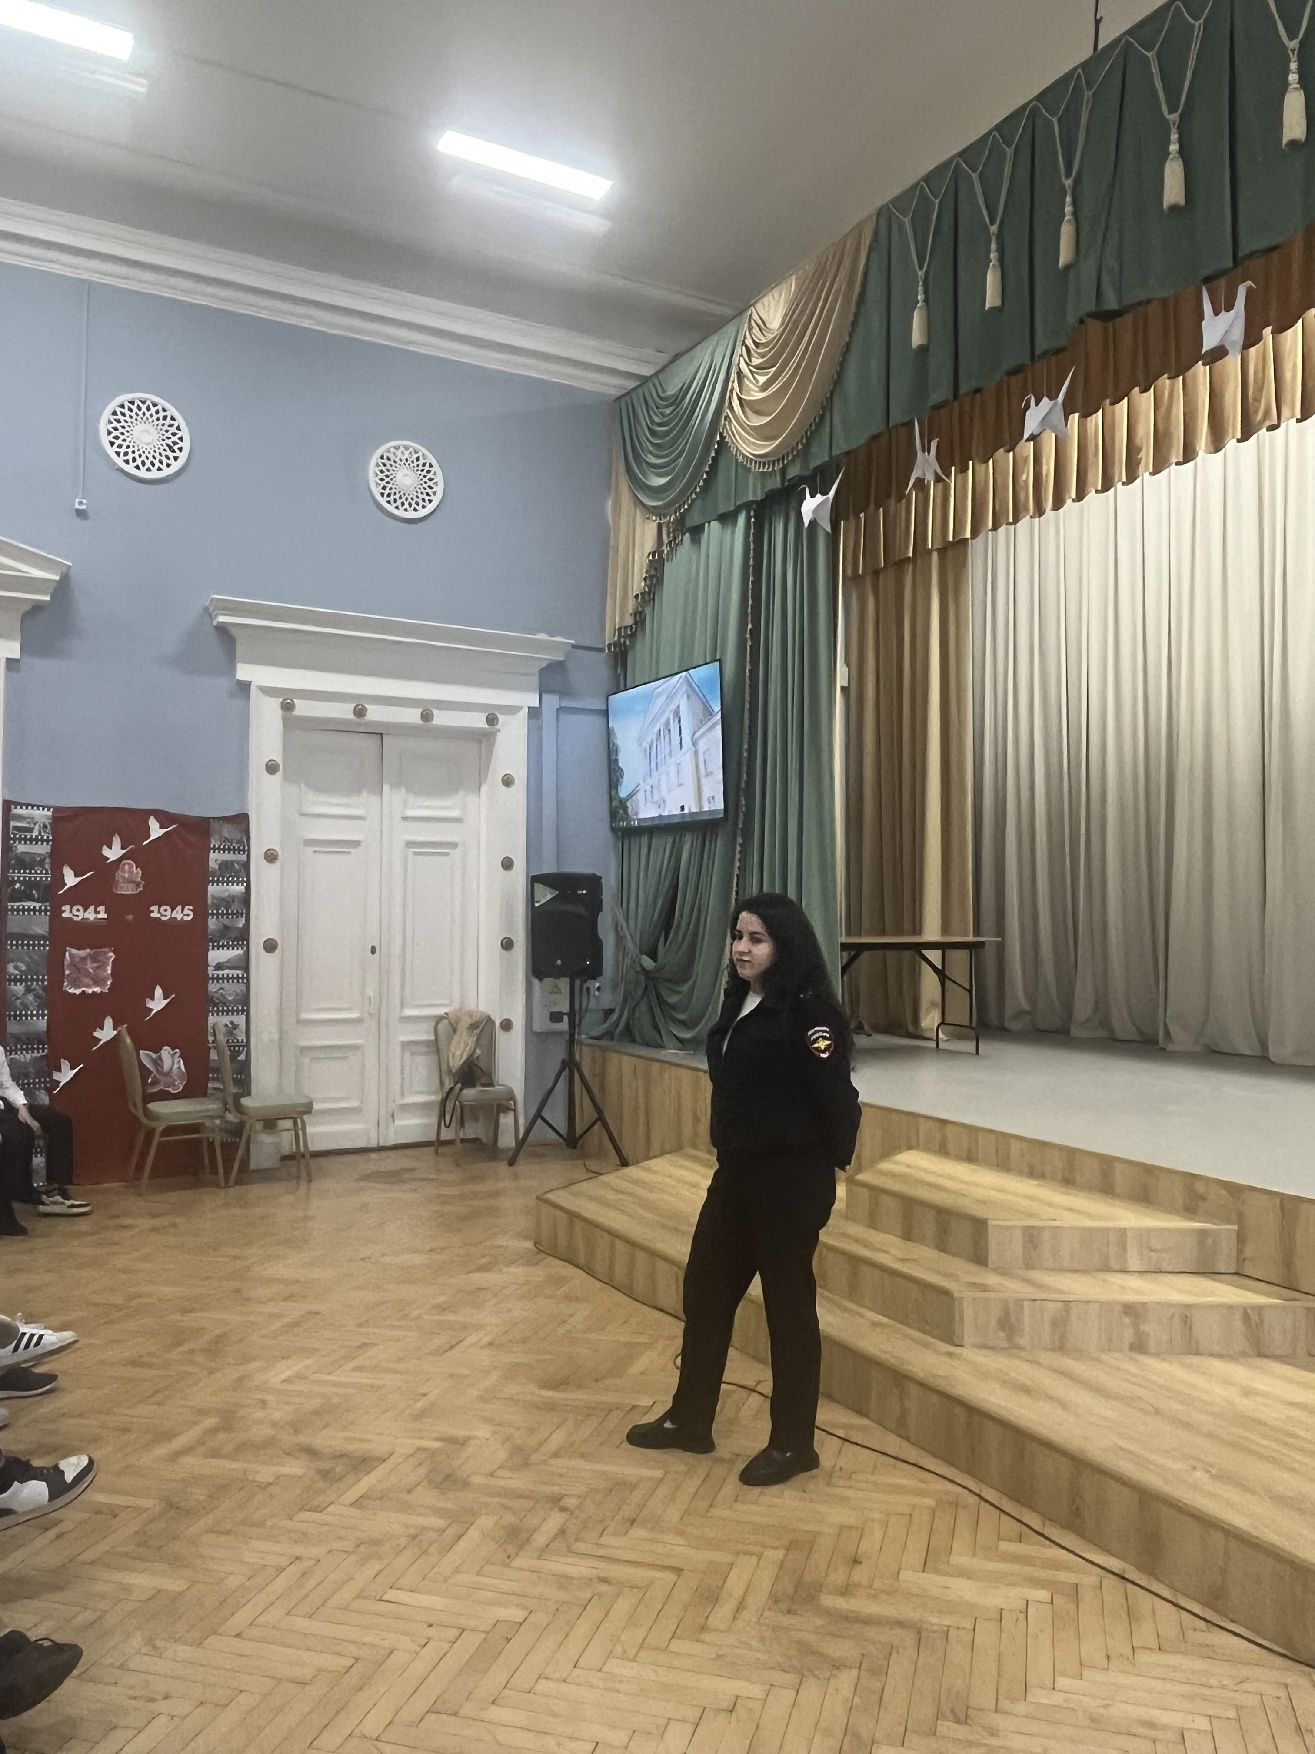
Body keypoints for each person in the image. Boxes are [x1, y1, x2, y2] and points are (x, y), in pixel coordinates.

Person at [627, 892, 861, 1487]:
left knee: (788, 1311)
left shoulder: (811, 1015)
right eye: (738, 936)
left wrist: (826, 1168)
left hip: (788, 1185)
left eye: (757, 939)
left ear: (785, 945)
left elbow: (837, 1099)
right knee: (706, 1292)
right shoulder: (739, 1001)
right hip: (736, 1177)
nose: (741, 948)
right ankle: (691, 1420)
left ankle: (793, 1444)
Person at [0, 1049, 89, 1234]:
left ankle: (54, 1192)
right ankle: (8, 1207)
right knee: (19, 1135)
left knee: (59, 1122)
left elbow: (6, 1085)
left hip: (4, 1103)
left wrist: (21, 1106)